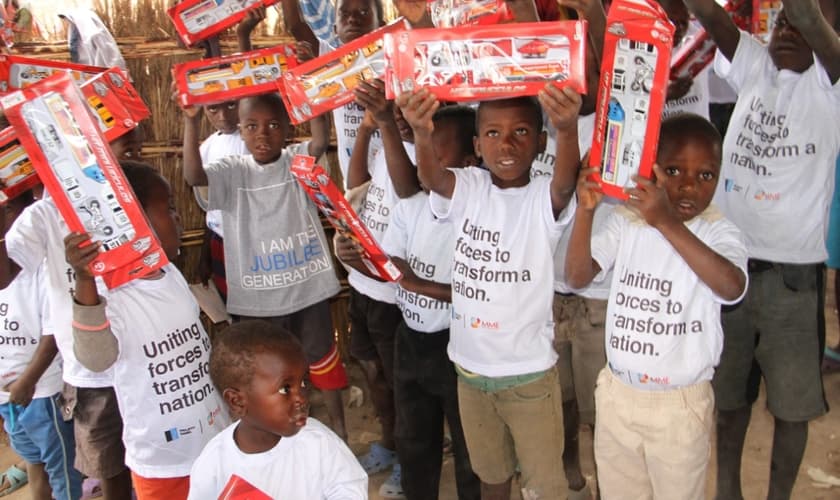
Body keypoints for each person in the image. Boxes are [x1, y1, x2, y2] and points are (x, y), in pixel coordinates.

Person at [682, 0, 840, 497]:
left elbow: (812, 19)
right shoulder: (755, 65)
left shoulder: (830, 84)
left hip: (792, 282)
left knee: (793, 407)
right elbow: (709, 14)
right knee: (728, 397)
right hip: (729, 270)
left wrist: (810, 19)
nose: (788, 28)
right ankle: (729, 490)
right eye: (782, 22)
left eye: (802, 21)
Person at [397, 83, 581, 499]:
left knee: (543, 485)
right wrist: (422, 134)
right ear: (477, 146)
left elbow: (566, 185)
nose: (507, 144)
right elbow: (432, 178)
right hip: (471, 374)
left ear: (539, 142)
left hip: (529, 378)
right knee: (490, 475)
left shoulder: (541, 199)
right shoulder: (471, 189)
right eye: (494, 134)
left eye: (521, 132)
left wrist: (568, 130)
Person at [565, 113, 747, 499]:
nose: (687, 186)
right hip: (619, 397)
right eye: (674, 170)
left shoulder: (718, 232)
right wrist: (585, 210)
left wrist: (666, 222)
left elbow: (731, 288)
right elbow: (577, 276)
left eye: (705, 175)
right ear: (652, 168)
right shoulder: (627, 222)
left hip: (679, 407)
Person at [181, 90, 349, 442]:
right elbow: (194, 176)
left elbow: (320, 140)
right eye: (252, 126)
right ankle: (277, 432)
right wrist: (191, 121)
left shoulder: (297, 160)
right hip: (258, 297)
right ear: (239, 130)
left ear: (288, 128)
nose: (262, 134)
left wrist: (310, 91)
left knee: (322, 361)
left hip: (307, 287)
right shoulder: (232, 171)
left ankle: (339, 433)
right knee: (266, 369)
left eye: (273, 125)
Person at [65, 161, 229, 500]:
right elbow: (96, 358)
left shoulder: (170, 273)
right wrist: (84, 279)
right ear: (129, 224)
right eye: (168, 208)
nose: (178, 216)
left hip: (216, 440)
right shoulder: (111, 295)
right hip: (163, 463)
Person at [5, 137, 144, 500]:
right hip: (90, 371)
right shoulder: (43, 216)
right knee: (108, 462)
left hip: (144, 353)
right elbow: (6, 276)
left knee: (148, 452)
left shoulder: (131, 196)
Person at [376, 105, 480, 500]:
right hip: (411, 339)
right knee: (414, 437)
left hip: (457, 346)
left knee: (470, 440)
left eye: (436, 155)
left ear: (469, 162)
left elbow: (480, 294)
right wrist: (365, 260)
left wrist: (416, 283)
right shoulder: (412, 206)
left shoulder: (476, 213)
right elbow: (392, 263)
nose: (425, 165)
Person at [334, 78, 417, 498]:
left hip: (393, 294)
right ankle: (389, 441)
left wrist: (385, 126)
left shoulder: (427, 150)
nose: (398, 119)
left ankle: (409, 456)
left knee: (398, 379)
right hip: (363, 284)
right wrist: (367, 129)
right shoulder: (384, 142)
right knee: (371, 371)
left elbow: (408, 189)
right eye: (393, 111)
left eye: (404, 112)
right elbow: (357, 188)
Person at [187, 320, 366, 499]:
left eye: (303, 383)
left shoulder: (319, 444)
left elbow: (350, 491)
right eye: (285, 389)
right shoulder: (213, 465)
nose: (301, 398)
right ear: (237, 401)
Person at [0, 191, 82, 500]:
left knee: (61, 469)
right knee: (33, 460)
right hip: (9, 394)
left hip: (40, 392)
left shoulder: (40, 273)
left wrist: (28, 381)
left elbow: (52, 334)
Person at [282, 0, 386, 187]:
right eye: (344, 14)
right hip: (355, 186)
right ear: (335, 28)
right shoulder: (330, 63)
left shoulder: (393, 62)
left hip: (395, 182)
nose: (353, 19)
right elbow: (295, 25)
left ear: (382, 25)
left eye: (363, 13)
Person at [660, 0, 711, 120]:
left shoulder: (698, 38)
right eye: (671, 21)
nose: (679, 28)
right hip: (661, 134)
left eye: (683, 22)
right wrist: (665, 96)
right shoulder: (638, 42)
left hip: (698, 131)